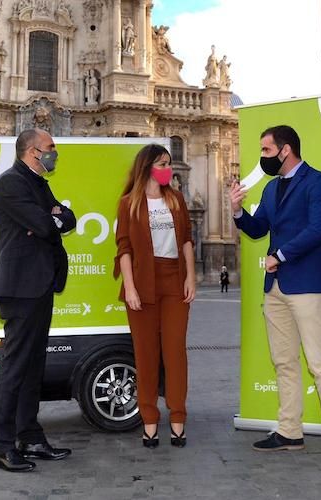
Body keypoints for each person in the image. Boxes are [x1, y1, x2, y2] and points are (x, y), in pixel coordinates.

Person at [229, 125, 321, 468]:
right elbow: (258, 229)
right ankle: (289, 431)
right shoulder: (271, 188)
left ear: (285, 150)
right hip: (276, 288)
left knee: (320, 364)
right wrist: (238, 212)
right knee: (283, 362)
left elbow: (318, 230)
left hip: (309, 284)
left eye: (266, 150)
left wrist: (280, 256)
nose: (262, 157)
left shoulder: (318, 181)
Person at [0, 128, 76, 472]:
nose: (55, 152)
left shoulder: (38, 182)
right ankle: (3, 445)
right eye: (50, 147)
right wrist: (50, 217)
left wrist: (53, 217)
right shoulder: (11, 182)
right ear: (33, 151)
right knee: (15, 366)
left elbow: (66, 219)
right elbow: (45, 225)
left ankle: (30, 437)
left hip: (40, 285)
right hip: (21, 287)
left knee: (33, 365)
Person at [114, 144, 196, 449]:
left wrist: (191, 277)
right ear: (147, 167)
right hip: (142, 283)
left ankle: (178, 419)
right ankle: (149, 421)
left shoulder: (176, 199)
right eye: (162, 164)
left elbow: (186, 241)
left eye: (169, 164)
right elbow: (124, 248)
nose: (168, 169)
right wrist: (130, 287)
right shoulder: (129, 203)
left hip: (174, 280)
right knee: (145, 355)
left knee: (175, 353)